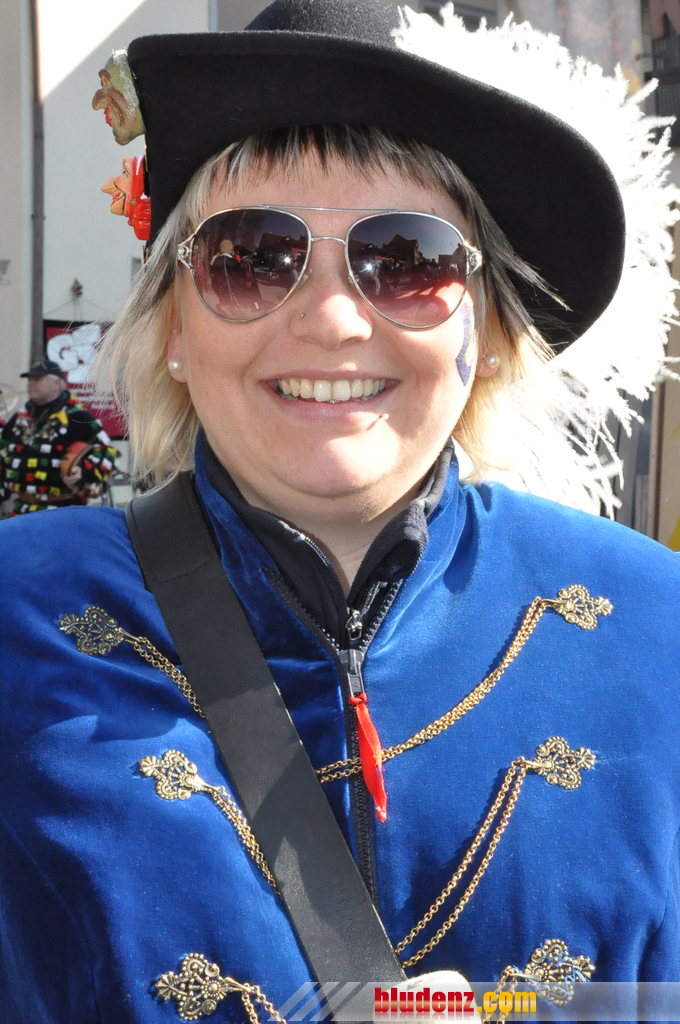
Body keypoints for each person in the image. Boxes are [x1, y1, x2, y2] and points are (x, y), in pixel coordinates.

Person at [0, 2, 678, 1022]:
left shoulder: (658, 629)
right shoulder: (15, 614)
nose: (328, 318)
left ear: (490, 330)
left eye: (407, 258)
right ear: (173, 325)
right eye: (250, 256)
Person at [0, 357, 120, 516]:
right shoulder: (20, 418)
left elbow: (108, 454)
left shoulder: (77, 417)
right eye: (29, 379)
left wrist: (83, 472)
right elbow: (2, 454)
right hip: (21, 512)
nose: (31, 383)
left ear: (56, 383)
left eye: (37, 379)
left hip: (63, 512)